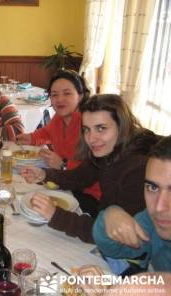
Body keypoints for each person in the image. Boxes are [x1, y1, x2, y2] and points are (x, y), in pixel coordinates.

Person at [21, 94, 160, 243]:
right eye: (87, 129)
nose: (91, 139)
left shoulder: (139, 169)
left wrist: (56, 215)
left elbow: (116, 236)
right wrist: (45, 174)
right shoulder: (110, 148)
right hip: (103, 220)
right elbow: (80, 177)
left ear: (121, 126)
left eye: (101, 128)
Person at [17, 69, 101, 217]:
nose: (59, 99)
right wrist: (31, 138)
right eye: (54, 95)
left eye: (67, 93)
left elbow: (92, 169)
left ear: (80, 95)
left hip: (90, 195)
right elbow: (47, 132)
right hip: (66, 183)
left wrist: (63, 164)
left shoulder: (89, 124)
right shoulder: (59, 117)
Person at [93, 136, 171, 271]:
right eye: (153, 188)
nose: (159, 207)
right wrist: (109, 216)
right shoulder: (150, 222)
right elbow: (113, 248)